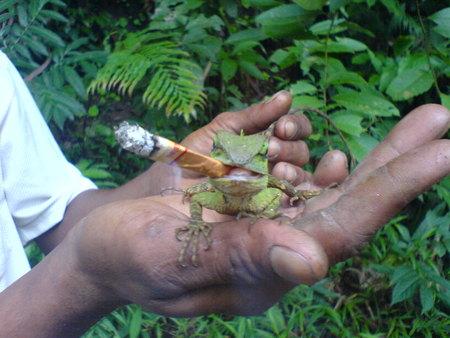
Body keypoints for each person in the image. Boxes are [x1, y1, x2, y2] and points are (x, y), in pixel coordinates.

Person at [0, 49, 448, 337]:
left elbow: (56, 213)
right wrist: (82, 275)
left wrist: (160, 186)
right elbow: (199, 202)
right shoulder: (217, 192)